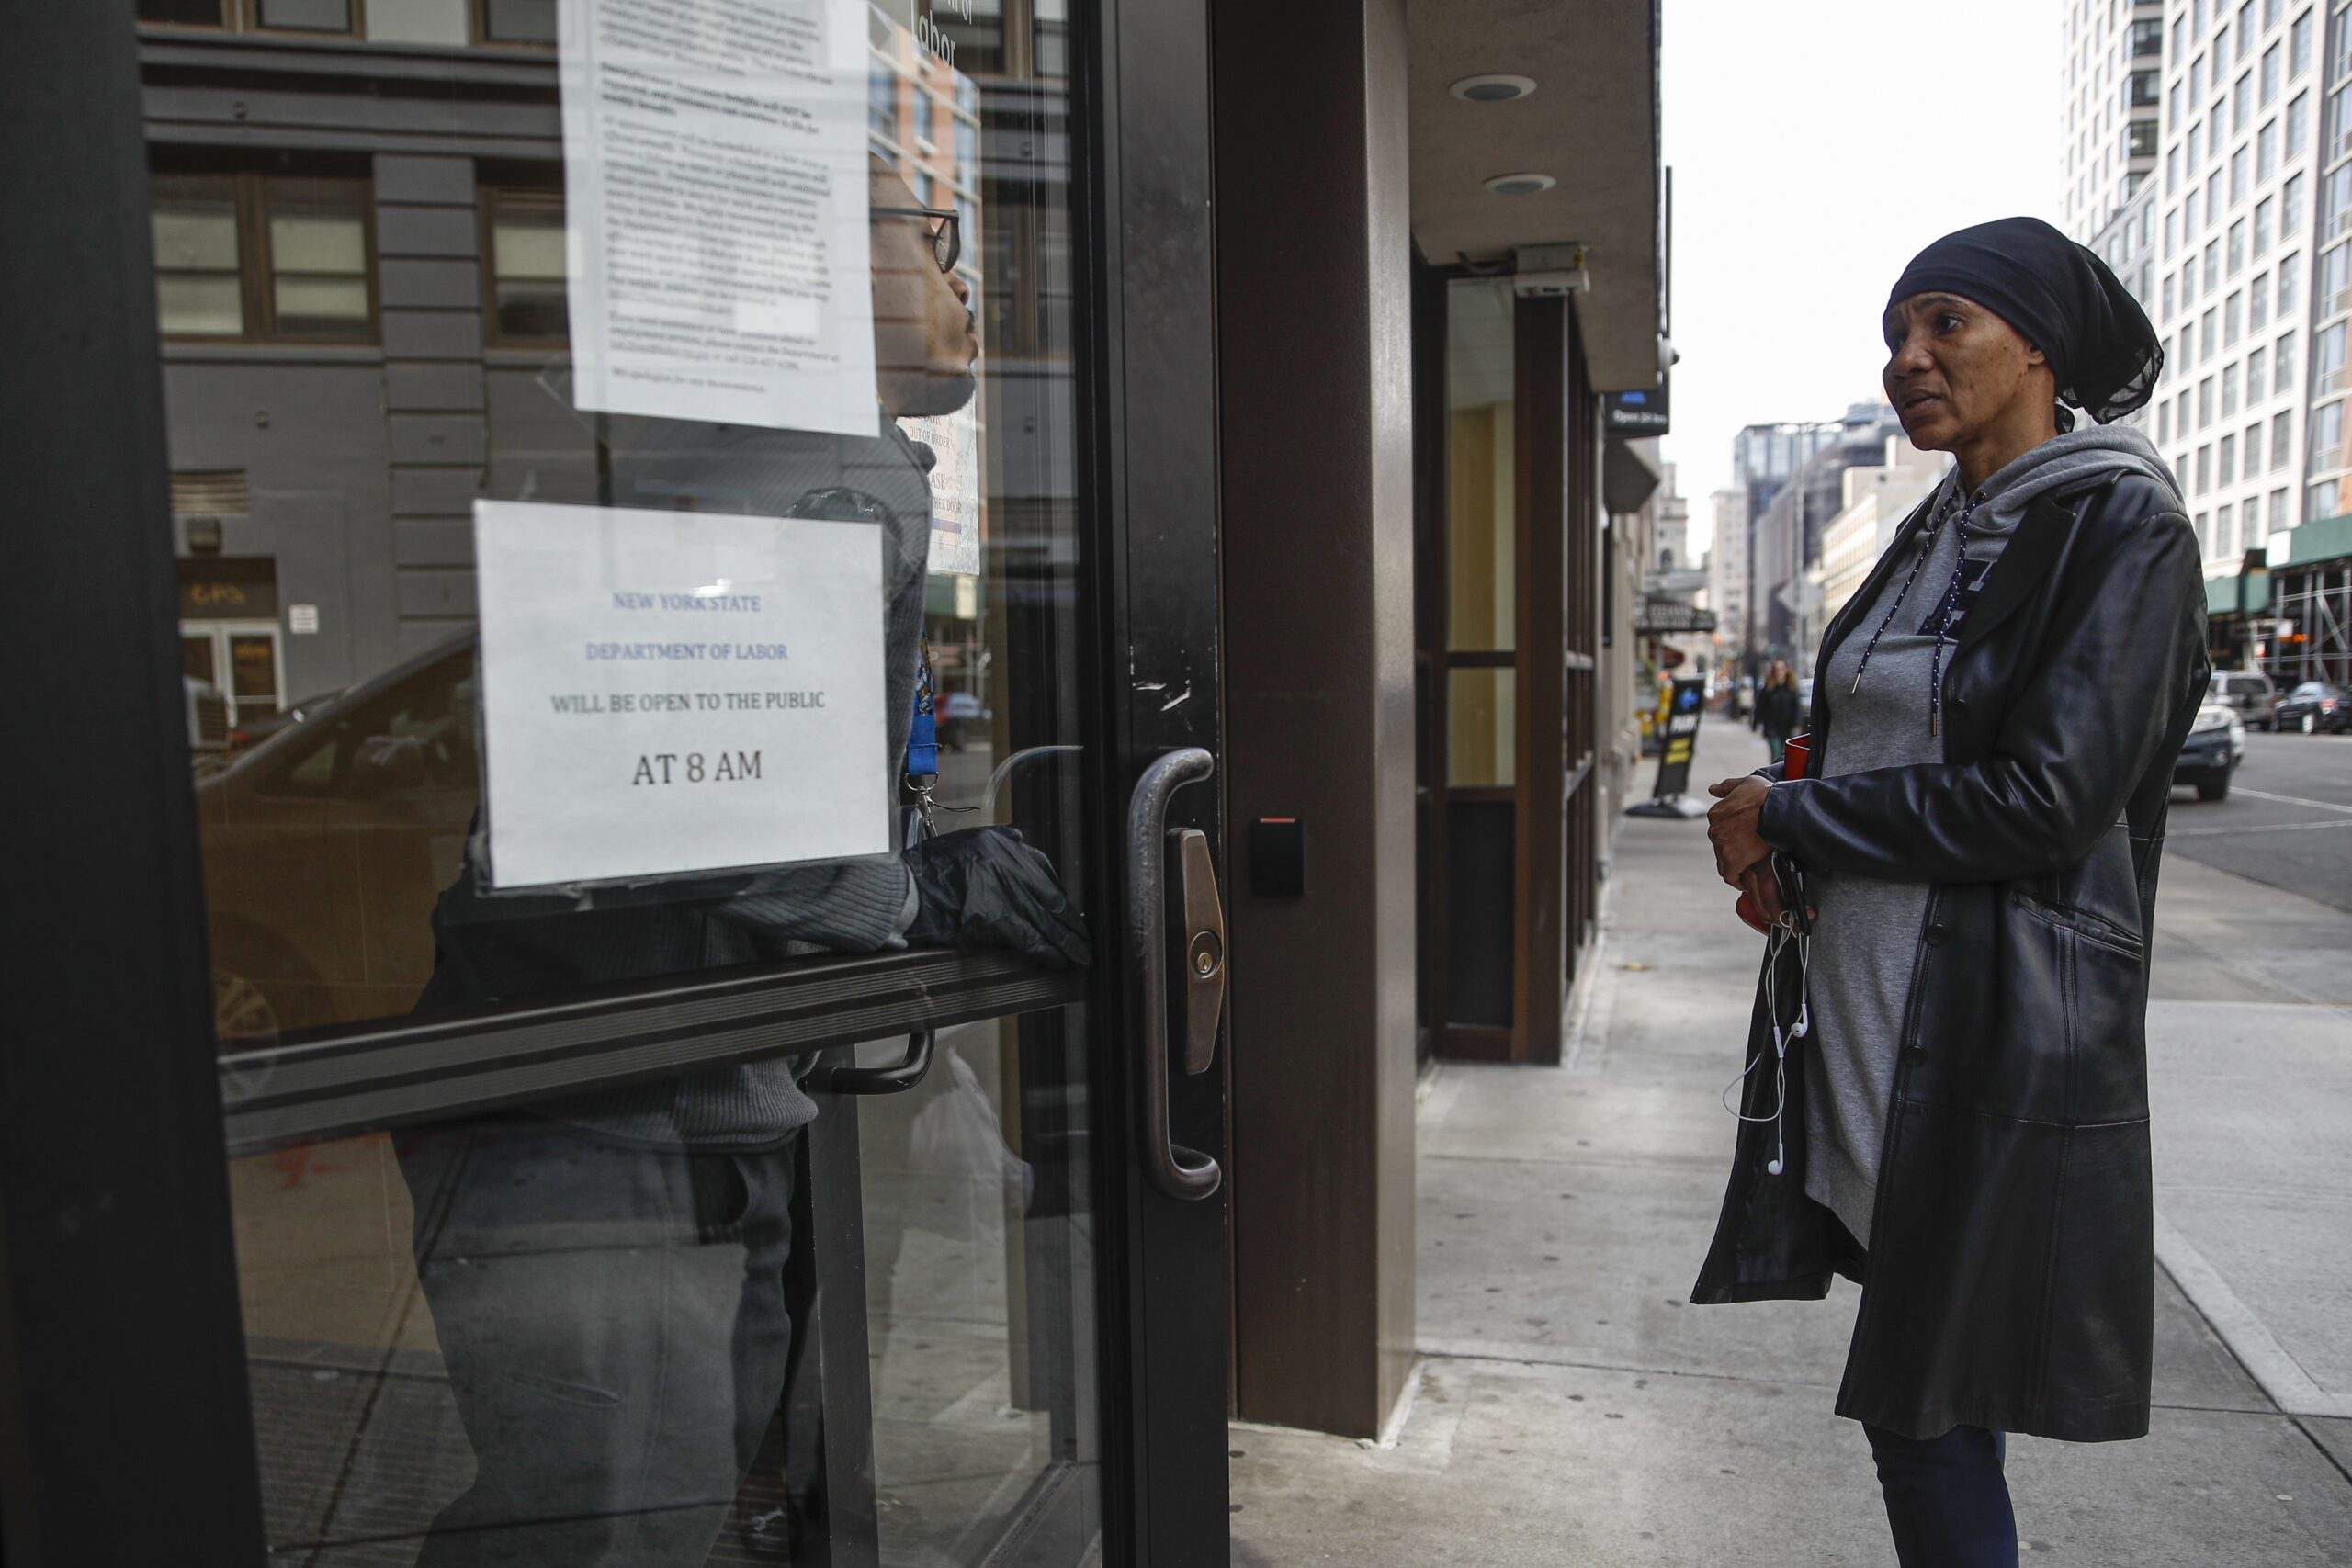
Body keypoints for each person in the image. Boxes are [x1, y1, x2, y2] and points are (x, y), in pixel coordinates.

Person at [394, 160, 1086, 1566]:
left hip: (670, 1108)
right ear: (816, 275)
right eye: (931, 240)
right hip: (603, 1123)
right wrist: (921, 897)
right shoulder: (813, 478)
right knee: (605, 1527)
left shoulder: (761, 459)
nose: (965, 283)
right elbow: (723, 820)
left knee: (648, 1505)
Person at [1692, 217, 2207, 1568]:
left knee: (1923, 1398)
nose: (1907, 359)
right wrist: (1790, 841)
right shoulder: (1942, 523)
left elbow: (2049, 797)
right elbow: (1893, 735)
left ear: (2039, 343)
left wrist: (1800, 811)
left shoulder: (2121, 522)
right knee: (1922, 1398)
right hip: (1873, 1005)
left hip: (1982, 1028)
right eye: (1893, 337)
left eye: (1943, 324)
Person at [1753, 657, 1801, 764]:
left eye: (1782, 668)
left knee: (1786, 756)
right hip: (1772, 727)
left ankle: (1782, 778)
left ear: (1787, 670)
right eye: (1776, 669)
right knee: (1776, 754)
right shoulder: (1768, 689)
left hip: (1787, 726)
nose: (1779, 672)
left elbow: (1797, 708)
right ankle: (1774, 777)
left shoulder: (1792, 688)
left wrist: (1797, 724)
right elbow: (1760, 706)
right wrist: (1756, 722)